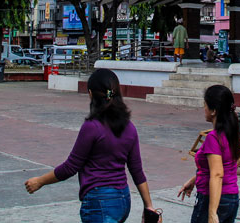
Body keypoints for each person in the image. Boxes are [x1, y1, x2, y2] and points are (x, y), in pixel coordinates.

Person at [24, 68, 156, 222]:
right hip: (123, 200)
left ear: (91, 94)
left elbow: (70, 167)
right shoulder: (130, 127)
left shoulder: (92, 127)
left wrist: (39, 181)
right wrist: (149, 206)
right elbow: (137, 171)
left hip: (99, 202)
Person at [178, 85, 240, 223]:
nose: (204, 109)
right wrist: (194, 180)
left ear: (213, 111)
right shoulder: (230, 132)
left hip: (214, 199)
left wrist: (212, 213)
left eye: (205, 105)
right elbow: (221, 165)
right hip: (231, 198)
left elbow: (217, 174)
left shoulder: (213, 138)